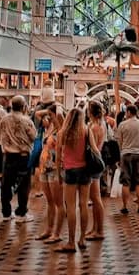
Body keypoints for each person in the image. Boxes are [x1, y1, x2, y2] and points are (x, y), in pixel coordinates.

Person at [56, 107, 98, 252]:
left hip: (70, 171)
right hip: (85, 170)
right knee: (84, 205)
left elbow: (58, 156)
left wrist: (58, 174)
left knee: (71, 207)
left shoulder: (63, 132)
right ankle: (82, 239)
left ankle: (71, 242)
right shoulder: (86, 130)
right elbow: (95, 150)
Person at [0, 96, 37, 222]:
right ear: (24, 106)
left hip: (8, 155)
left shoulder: (4, 119)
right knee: (23, 185)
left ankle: (6, 212)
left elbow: (0, 134)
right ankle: (21, 213)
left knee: (6, 184)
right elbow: (33, 136)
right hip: (23, 156)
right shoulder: (27, 121)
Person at [35, 109, 65, 242]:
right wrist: (48, 109)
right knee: (49, 202)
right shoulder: (47, 131)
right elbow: (37, 114)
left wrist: (54, 114)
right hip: (44, 167)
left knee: (59, 202)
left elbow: (61, 126)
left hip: (55, 168)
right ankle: (49, 229)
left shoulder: (61, 131)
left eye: (48, 117)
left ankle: (57, 233)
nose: (44, 120)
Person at [116, 104, 139, 214]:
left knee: (126, 182)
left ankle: (125, 206)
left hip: (126, 153)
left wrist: (121, 152)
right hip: (138, 154)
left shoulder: (122, 125)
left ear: (129, 112)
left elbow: (119, 141)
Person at [85, 101, 106, 241]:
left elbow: (93, 146)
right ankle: (95, 227)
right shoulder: (100, 124)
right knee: (94, 197)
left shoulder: (94, 127)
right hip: (96, 160)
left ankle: (100, 230)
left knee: (96, 197)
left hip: (93, 161)